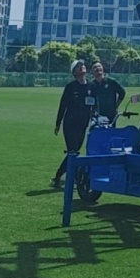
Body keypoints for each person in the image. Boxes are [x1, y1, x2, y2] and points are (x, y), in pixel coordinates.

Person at [51, 59, 94, 188]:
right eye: (78, 66)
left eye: (82, 65)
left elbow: (94, 105)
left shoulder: (91, 87)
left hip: (83, 125)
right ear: (74, 72)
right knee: (72, 152)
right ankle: (63, 177)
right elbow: (63, 105)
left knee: (75, 152)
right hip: (70, 124)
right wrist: (58, 123)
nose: (82, 67)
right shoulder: (71, 87)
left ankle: (66, 178)